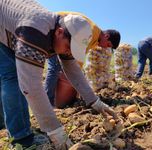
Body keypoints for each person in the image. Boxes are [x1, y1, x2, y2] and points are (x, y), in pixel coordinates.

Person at [0, 0, 121, 149]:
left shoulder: (64, 36)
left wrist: (94, 101)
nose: (69, 52)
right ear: (59, 32)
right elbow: (31, 86)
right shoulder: (36, 33)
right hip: (3, 25)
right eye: (69, 47)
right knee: (12, 78)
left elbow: (73, 70)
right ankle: (20, 138)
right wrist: (54, 130)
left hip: (19, 25)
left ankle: (19, 128)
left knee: (17, 78)